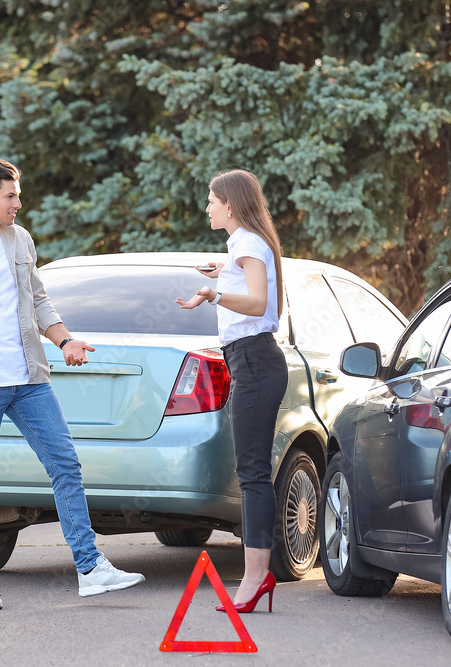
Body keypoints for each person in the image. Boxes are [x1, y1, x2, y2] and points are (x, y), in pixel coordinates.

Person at [0, 158, 144, 610]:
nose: (18, 204)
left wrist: (65, 340)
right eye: (10, 196)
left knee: (66, 466)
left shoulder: (19, 240)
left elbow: (38, 299)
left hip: (29, 378)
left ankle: (90, 567)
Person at [176, 169, 288, 613]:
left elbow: (258, 302)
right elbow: (249, 281)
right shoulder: (243, 245)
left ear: (231, 204)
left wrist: (212, 293)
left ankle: (256, 578)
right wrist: (220, 273)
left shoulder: (248, 242)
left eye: (211, 200)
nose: (207, 207)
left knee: (254, 473)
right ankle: (258, 576)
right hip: (249, 359)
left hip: (256, 361)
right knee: (252, 471)